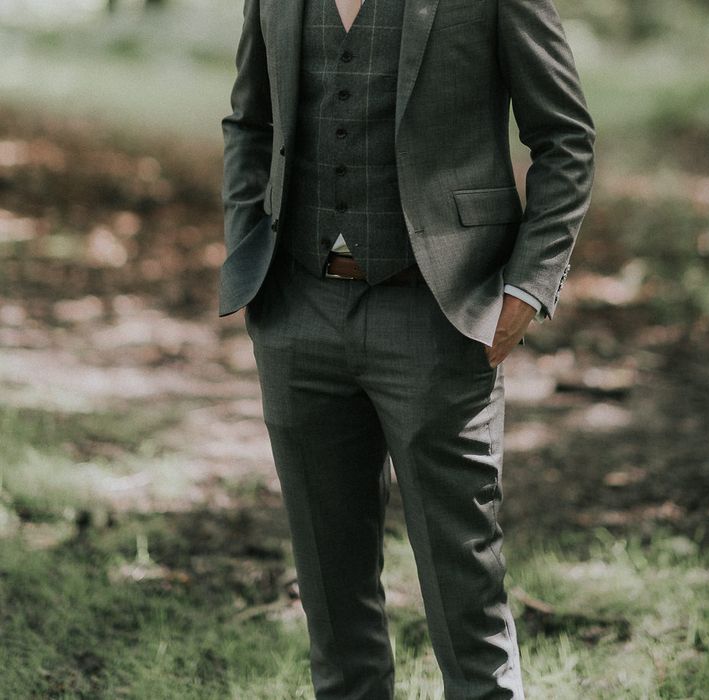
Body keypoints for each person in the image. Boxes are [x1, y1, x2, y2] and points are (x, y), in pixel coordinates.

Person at [219, 0, 595, 696]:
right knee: (332, 607)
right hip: (297, 309)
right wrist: (248, 244)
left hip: (440, 314)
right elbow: (249, 121)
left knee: (465, 598)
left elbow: (564, 137)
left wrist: (529, 284)